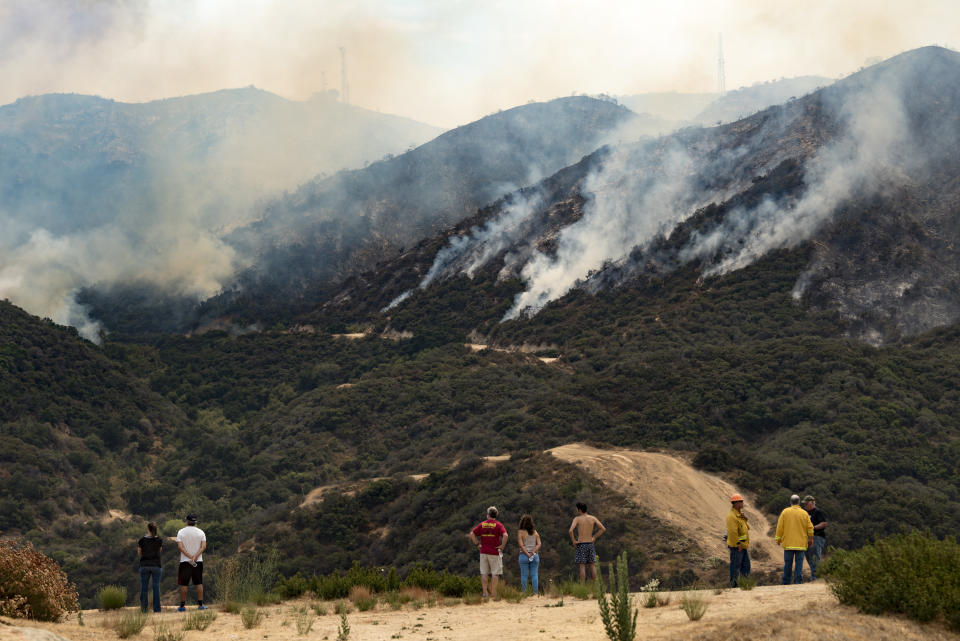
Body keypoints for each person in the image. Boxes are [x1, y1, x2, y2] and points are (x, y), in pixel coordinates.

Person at [469, 506, 508, 599]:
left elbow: (472, 534)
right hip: (494, 552)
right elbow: (505, 535)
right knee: (495, 573)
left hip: (483, 552)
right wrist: (502, 546)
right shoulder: (498, 525)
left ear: (488, 515)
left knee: (484, 573)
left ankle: (485, 593)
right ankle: (493, 594)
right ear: (496, 515)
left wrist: (477, 544)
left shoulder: (482, 524)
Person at [775, 494, 813, 585]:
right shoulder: (804, 513)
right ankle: (797, 582)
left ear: (790, 502)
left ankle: (786, 583)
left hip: (788, 544)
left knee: (788, 564)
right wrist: (810, 539)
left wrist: (778, 539)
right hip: (801, 544)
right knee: (799, 565)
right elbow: (810, 528)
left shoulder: (785, 512)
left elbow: (780, 527)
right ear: (799, 502)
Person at [176, 514, 208, 611]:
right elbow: (203, 547)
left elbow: (180, 547)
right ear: (195, 522)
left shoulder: (181, 532)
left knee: (184, 584)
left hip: (185, 562)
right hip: (198, 561)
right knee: (199, 583)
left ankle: (182, 606)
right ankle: (200, 605)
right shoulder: (201, 532)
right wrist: (195, 556)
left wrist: (190, 556)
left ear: (187, 521)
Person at [569, 502, 605, 582]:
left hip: (581, 544)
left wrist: (574, 541)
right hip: (590, 543)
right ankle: (596, 586)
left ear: (579, 509)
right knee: (592, 565)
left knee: (582, 566)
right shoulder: (593, 518)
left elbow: (570, 530)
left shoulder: (577, 519)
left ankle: (582, 586)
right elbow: (603, 529)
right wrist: (594, 537)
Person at [725, 494, 750, 587]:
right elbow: (732, 532)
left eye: (742, 501)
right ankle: (734, 586)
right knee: (735, 567)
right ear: (735, 503)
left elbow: (746, 528)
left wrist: (745, 519)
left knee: (746, 567)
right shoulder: (731, 516)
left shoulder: (739, 515)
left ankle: (745, 584)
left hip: (743, 546)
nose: (742, 503)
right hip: (737, 547)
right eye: (740, 501)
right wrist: (738, 544)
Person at [138, 522, 163, 612]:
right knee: (156, 587)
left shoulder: (142, 540)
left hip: (144, 565)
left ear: (147, 529)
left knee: (144, 588)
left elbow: (139, 553)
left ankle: (144, 610)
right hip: (156, 565)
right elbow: (160, 551)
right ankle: (157, 610)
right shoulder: (159, 540)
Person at [803, 495, 828, 580]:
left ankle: (816, 578)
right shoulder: (805, 513)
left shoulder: (818, 512)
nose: (805, 505)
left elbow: (824, 523)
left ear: (812, 503)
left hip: (817, 537)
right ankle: (815, 576)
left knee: (814, 557)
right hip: (808, 538)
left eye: (806, 504)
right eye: (804, 504)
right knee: (809, 557)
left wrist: (813, 528)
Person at [517, 514, 542, 595]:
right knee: (534, 575)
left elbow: (521, 545)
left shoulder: (520, 532)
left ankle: (524, 593)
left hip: (523, 556)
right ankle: (535, 593)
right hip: (534, 556)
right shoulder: (535, 532)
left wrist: (527, 554)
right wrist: (533, 552)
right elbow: (539, 544)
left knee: (524, 575)